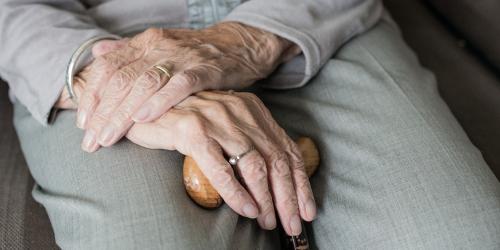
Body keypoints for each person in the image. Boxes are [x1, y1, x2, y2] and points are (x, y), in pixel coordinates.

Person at [1, 0, 499, 249]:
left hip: (315, 20)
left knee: (462, 236)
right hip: (95, 37)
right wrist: (113, 78)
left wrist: (242, 41)